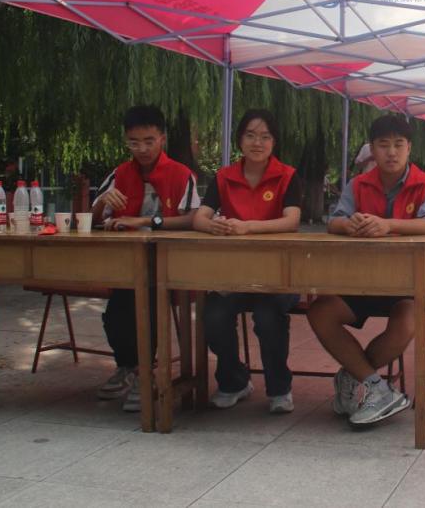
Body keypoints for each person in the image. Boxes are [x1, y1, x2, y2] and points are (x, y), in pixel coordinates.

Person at [309, 115, 425, 427]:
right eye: (383, 145)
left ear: (409, 148)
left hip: (407, 283)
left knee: (408, 321)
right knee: (320, 312)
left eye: (398, 144)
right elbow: (334, 221)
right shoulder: (358, 184)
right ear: (372, 149)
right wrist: (349, 224)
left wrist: (387, 225)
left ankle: (353, 378)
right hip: (360, 280)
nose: (391, 152)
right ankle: (376, 387)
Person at [92, 105, 200, 412]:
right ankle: (131, 368)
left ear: (162, 139)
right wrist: (100, 203)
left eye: (149, 141)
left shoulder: (181, 174)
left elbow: (194, 218)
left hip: (168, 265)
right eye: (134, 142)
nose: (142, 149)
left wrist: (147, 222)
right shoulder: (120, 174)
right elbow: (93, 220)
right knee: (117, 312)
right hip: (126, 264)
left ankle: (145, 374)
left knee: (146, 302)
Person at [195, 109, 303, 413]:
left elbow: (292, 221)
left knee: (268, 317)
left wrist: (248, 227)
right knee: (214, 315)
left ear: (274, 142)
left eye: (265, 136)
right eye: (251, 135)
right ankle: (234, 382)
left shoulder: (287, 176)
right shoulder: (224, 177)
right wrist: (213, 226)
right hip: (235, 273)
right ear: (240, 139)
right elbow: (200, 216)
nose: (258, 142)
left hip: (279, 272)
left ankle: (279, 388)